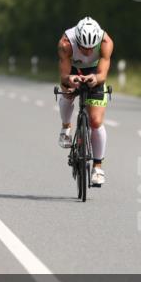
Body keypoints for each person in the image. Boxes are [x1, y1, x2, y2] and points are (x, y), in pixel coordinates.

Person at [57, 16, 114, 187]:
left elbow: (102, 75)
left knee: (95, 121)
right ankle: (66, 127)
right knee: (67, 93)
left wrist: (95, 79)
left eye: (91, 48)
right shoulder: (65, 43)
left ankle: (97, 167)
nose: (88, 52)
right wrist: (69, 79)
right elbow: (63, 76)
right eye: (83, 47)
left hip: (95, 71)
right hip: (73, 69)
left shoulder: (106, 42)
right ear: (77, 41)